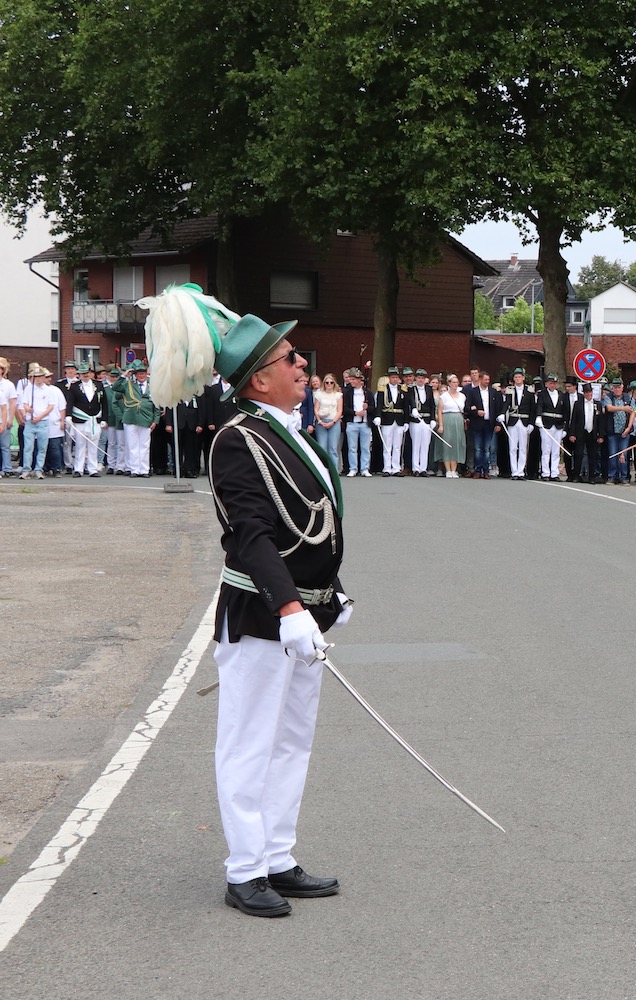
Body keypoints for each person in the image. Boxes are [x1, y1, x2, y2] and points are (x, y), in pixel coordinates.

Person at [197, 312, 351, 918]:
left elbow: (313, 524)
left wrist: (329, 595)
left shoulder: (284, 430)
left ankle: (277, 856)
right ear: (259, 380)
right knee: (249, 742)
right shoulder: (237, 439)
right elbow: (252, 534)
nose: (302, 363)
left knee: (291, 741)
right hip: (263, 613)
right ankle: (244, 870)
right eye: (289, 358)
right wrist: (289, 607)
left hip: (303, 613)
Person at [67, 364, 106, 476]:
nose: (85, 375)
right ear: (79, 374)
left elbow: (104, 403)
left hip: (95, 420)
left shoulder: (98, 385)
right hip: (80, 420)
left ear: (90, 373)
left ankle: (93, 469)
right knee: (80, 445)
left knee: (93, 445)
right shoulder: (74, 386)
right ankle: (78, 469)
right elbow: (70, 402)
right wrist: (68, 416)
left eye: (87, 373)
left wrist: (104, 419)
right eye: (83, 373)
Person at [567, 380, 607, 482]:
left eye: (590, 392)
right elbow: (574, 419)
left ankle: (592, 477)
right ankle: (576, 475)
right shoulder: (578, 404)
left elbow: (600, 421)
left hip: (592, 432)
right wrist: (572, 434)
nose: (588, 394)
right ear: (584, 393)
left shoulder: (597, 404)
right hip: (581, 431)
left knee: (592, 455)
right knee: (579, 454)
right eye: (586, 393)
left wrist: (601, 435)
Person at [374, 366, 408, 476]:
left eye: (396, 377)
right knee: (387, 445)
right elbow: (379, 404)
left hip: (399, 420)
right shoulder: (382, 389)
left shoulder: (403, 389)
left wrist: (406, 421)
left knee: (397, 446)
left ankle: (396, 468)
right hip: (387, 419)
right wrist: (378, 416)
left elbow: (405, 406)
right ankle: (387, 468)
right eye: (393, 377)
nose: (395, 379)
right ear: (389, 378)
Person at [535, 373, 568, 481]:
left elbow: (565, 411)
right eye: (550, 383)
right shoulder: (542, 394)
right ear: (546, 384)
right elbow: (539, 406)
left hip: (558, 425)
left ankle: (554, 473)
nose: (552, 385)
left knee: (556, 450)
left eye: (554, 383)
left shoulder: (561, 395)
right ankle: (545, 472)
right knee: (546, 449)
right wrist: (538, 417)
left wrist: (565, 428)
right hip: (546, 424)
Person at [435, 374, 468, 478]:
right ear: (449, 383)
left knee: (456, 443)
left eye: (456, 382)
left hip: (458, 420)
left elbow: (463, 410)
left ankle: (454, 469)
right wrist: (441, 425)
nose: (455, 384)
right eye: (453, 382)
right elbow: (439, 411)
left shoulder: (462, 396)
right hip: (447, 419)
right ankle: (448, 470)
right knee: (447, 443)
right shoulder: (444, 396)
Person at [406, 369, 437, 476]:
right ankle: (415, 468)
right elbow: (410, 401)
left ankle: (423, 468)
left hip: (426, 420)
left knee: (425, 445)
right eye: (419, 378)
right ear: (416, 378)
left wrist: (433, 419)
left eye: (422, 378)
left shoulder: (429, 389)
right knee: (416, 444)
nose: (420, 380)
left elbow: (432, 406)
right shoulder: (411, 389)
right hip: (415, 420)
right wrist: (413, 409)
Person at [342, 369, 372, 477]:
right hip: (352, 423)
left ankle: (365, 468)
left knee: (365, 447)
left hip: (365, 423)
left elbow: (373, 407)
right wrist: (355, 413)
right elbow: (345, 408)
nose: (351, 381)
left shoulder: (367, 392)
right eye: (350, 379)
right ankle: (353, 468)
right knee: (352, 448)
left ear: (359, 380)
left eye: (353, 379)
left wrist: (367, 408)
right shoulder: (348, 393)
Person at [313, 374, 343, 466]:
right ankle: (323, 469)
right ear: (324, 383)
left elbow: (340, 411)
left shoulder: (338, 395)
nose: (329, 384)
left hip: (334, 422)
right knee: (322, 447)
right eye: (327, 382)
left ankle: (334, 470)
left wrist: (333, 422)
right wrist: (319, 421)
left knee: (333, 448)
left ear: (334, 383)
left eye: (331, 382)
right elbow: (316, 409)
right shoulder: (319, 394)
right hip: (321, 422)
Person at [0, 356, 14, 478]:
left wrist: (10, 419)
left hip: (3, 419)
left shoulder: (8, 385)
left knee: (5, 446)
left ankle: (7, 468)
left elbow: (12, 403)